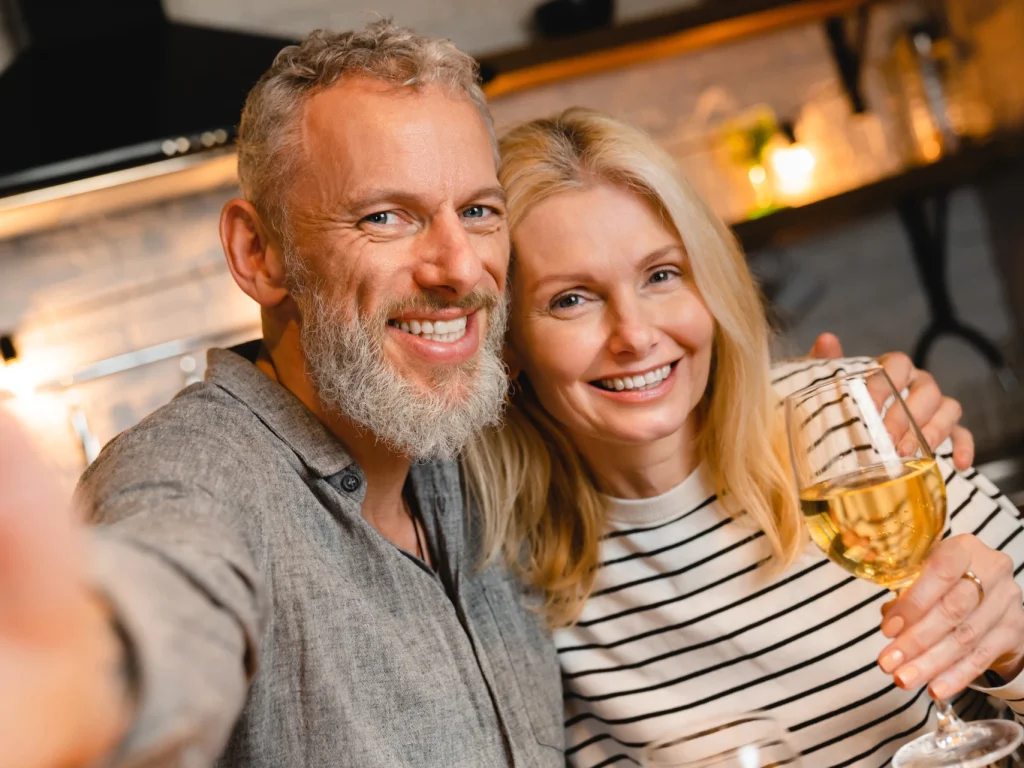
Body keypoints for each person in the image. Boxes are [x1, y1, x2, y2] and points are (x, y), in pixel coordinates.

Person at [0, 22, 978, 768]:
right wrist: (89, 681)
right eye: (386, 216)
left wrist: (846, 406)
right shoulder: (194, 482)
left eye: (476, 211)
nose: (456, 266)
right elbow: (167, 597)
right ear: (259, 254)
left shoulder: (470, 451)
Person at [464, 107, 1024, 768]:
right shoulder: (512, 570)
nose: (636, 335)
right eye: (572, 299)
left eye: (662, 275)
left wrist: (1014, 657)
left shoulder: (855, 422)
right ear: (509, 342)